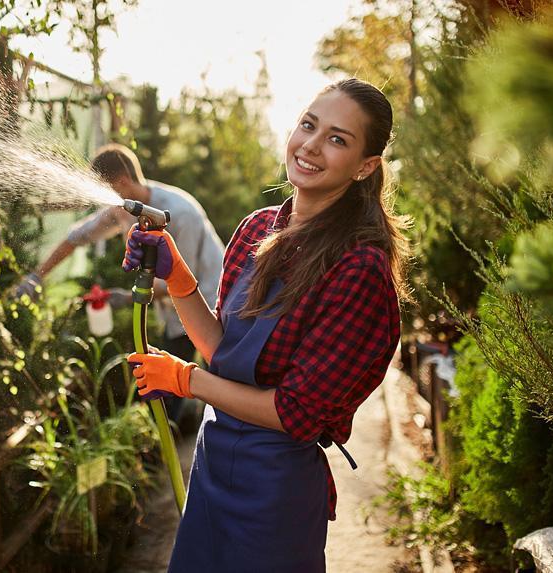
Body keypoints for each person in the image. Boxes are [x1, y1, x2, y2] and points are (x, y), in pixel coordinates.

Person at [123, 78, 408, 572]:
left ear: (366, 167)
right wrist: (177, 274)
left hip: (276, 490)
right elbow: (221, 348)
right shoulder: (258, 227)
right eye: (308, 125)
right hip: (213, 469)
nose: (311, 146)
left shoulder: (359, 270)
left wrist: (185, 381)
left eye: (338, 139)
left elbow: (293, 413)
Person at [17, 143, 225, 421]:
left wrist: (127, 297)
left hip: (211, 310)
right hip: (175, 315)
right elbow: (74, 238)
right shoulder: (123, 208)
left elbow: (185, 282)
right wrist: (36, 276)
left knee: (217, 391)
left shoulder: (179, 213)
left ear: (123, 182)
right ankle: (164, 446)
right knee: (165, 396)